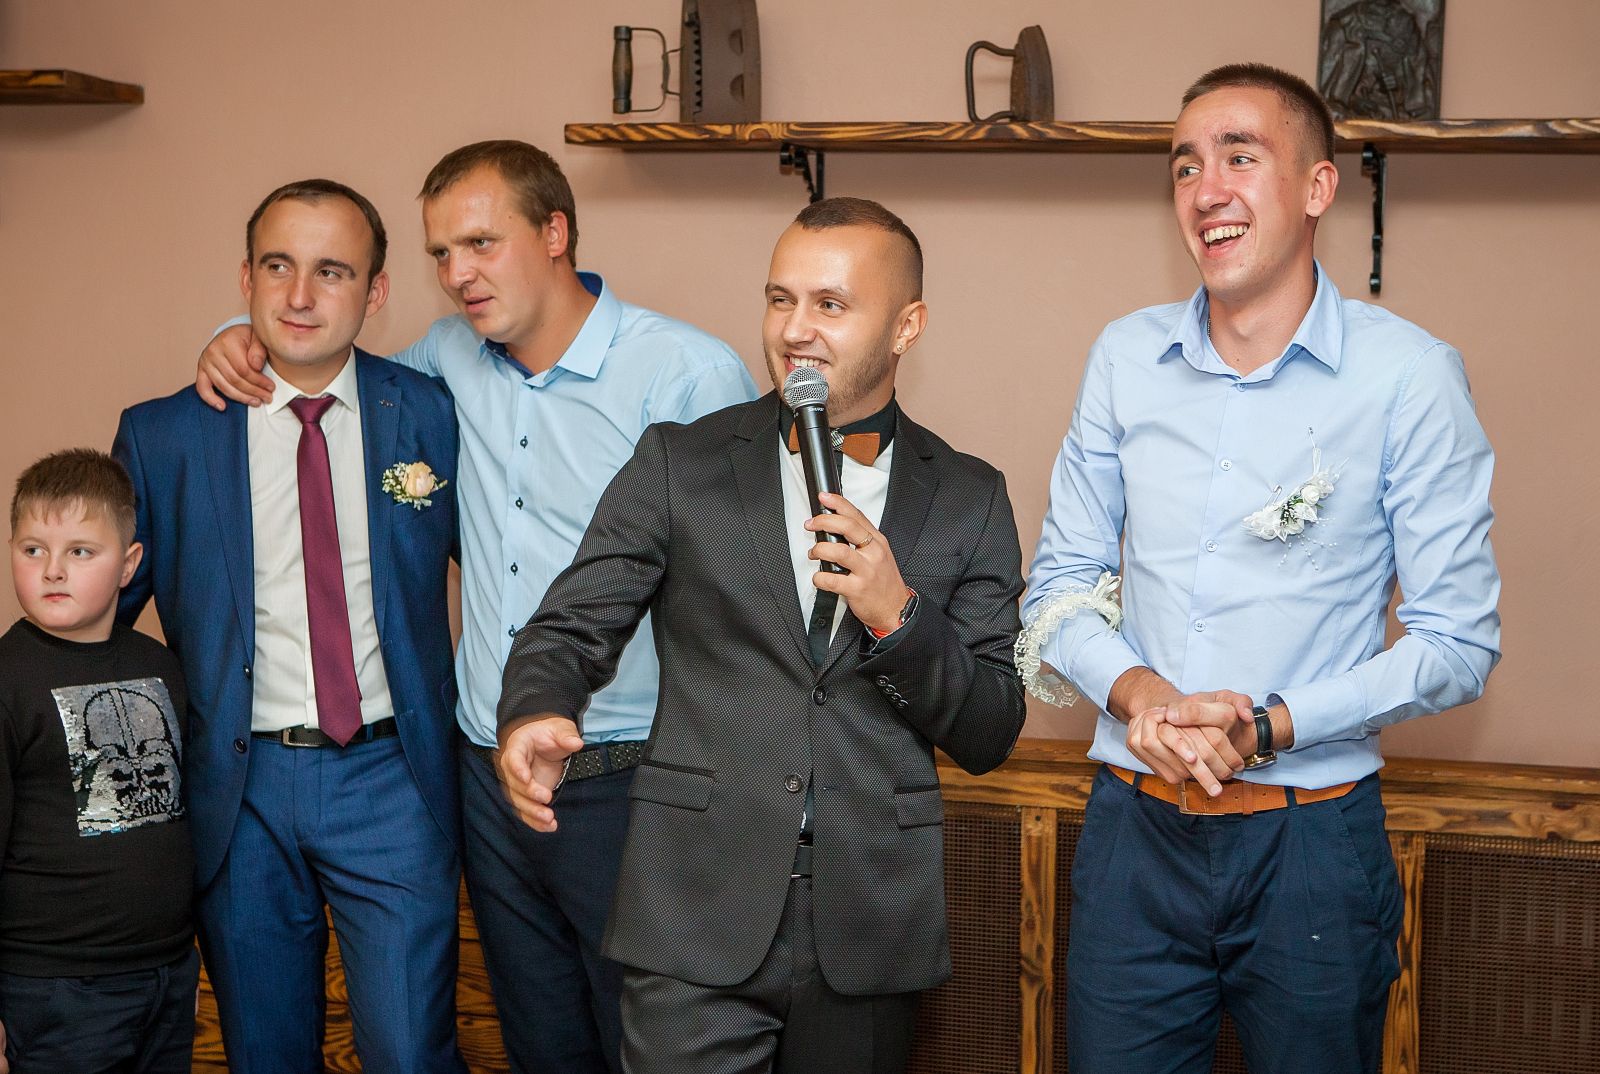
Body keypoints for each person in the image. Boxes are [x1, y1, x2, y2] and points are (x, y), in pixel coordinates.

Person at [195, 140, 758, 1072]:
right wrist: (236, 333)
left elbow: (749, 600)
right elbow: (321, 352)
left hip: (634, 775)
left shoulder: (687, 376)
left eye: (481, 244)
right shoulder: (447, 360)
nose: (458, 274)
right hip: (488, 777)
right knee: (541, 1044)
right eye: (441, 253)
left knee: (658, 1048)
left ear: (555, 233)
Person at [1017, 63, 1500, 1074]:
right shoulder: (1123, 358)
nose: (1207, 189)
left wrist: (1270, 726)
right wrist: (1143, 695)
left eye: (1240, 157)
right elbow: (1058, 586)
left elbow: (1458, 643)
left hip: (1312, 848)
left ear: (1318, 187)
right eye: (1185, 166)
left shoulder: (1408, 377)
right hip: (1132, 839)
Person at [496, 197, 1028, 1074]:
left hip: (870, 919)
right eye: (780, 299)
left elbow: (990, 728)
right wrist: (534, 710)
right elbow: (569, 624)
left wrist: (897, 615)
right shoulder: (681, 461)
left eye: (830, 304)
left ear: (907, 326)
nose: (793, 330)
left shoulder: (970, 496)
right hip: (692, 905)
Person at [116, 180, 466, 1073]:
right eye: (278, 267)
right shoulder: (164, 436)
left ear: (375, 292)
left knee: (410, 1052)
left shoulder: (431, 413)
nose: (300, 296)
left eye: (331, 271)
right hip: (241, 788)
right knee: (265, 1052)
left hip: (393, 778)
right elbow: (99, 624)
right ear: (246, 278)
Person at [0, 450, 195, 1074]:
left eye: (81, 551)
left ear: (128, 565)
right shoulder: (8, 680)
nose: (53, 570)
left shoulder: (160, 665)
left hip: (168, 971)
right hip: (56, 987)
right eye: (33, 549)